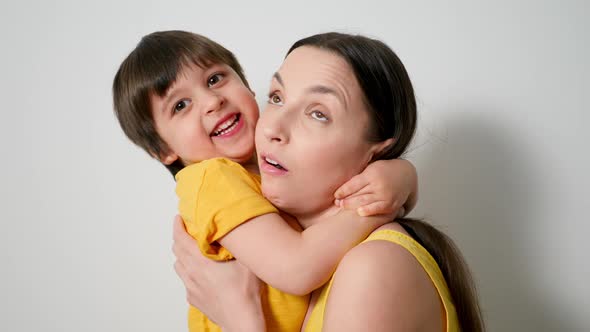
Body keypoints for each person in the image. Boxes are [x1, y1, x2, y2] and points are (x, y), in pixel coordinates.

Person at [173, 32, 485, 331]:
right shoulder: (291, 262)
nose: (272, 128)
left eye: (318, 114)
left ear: (377, 150)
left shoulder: (373, 267)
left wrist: (241, 321)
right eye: (277, 97)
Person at [112, 30, 419, 331]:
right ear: (164, 150)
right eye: (180, 105)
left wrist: (399, 175)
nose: (211, 101)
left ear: (246, 85)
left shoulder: (275, 173)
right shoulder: (210, 179)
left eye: (215, 79)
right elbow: (297, 268)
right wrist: (381, 203)